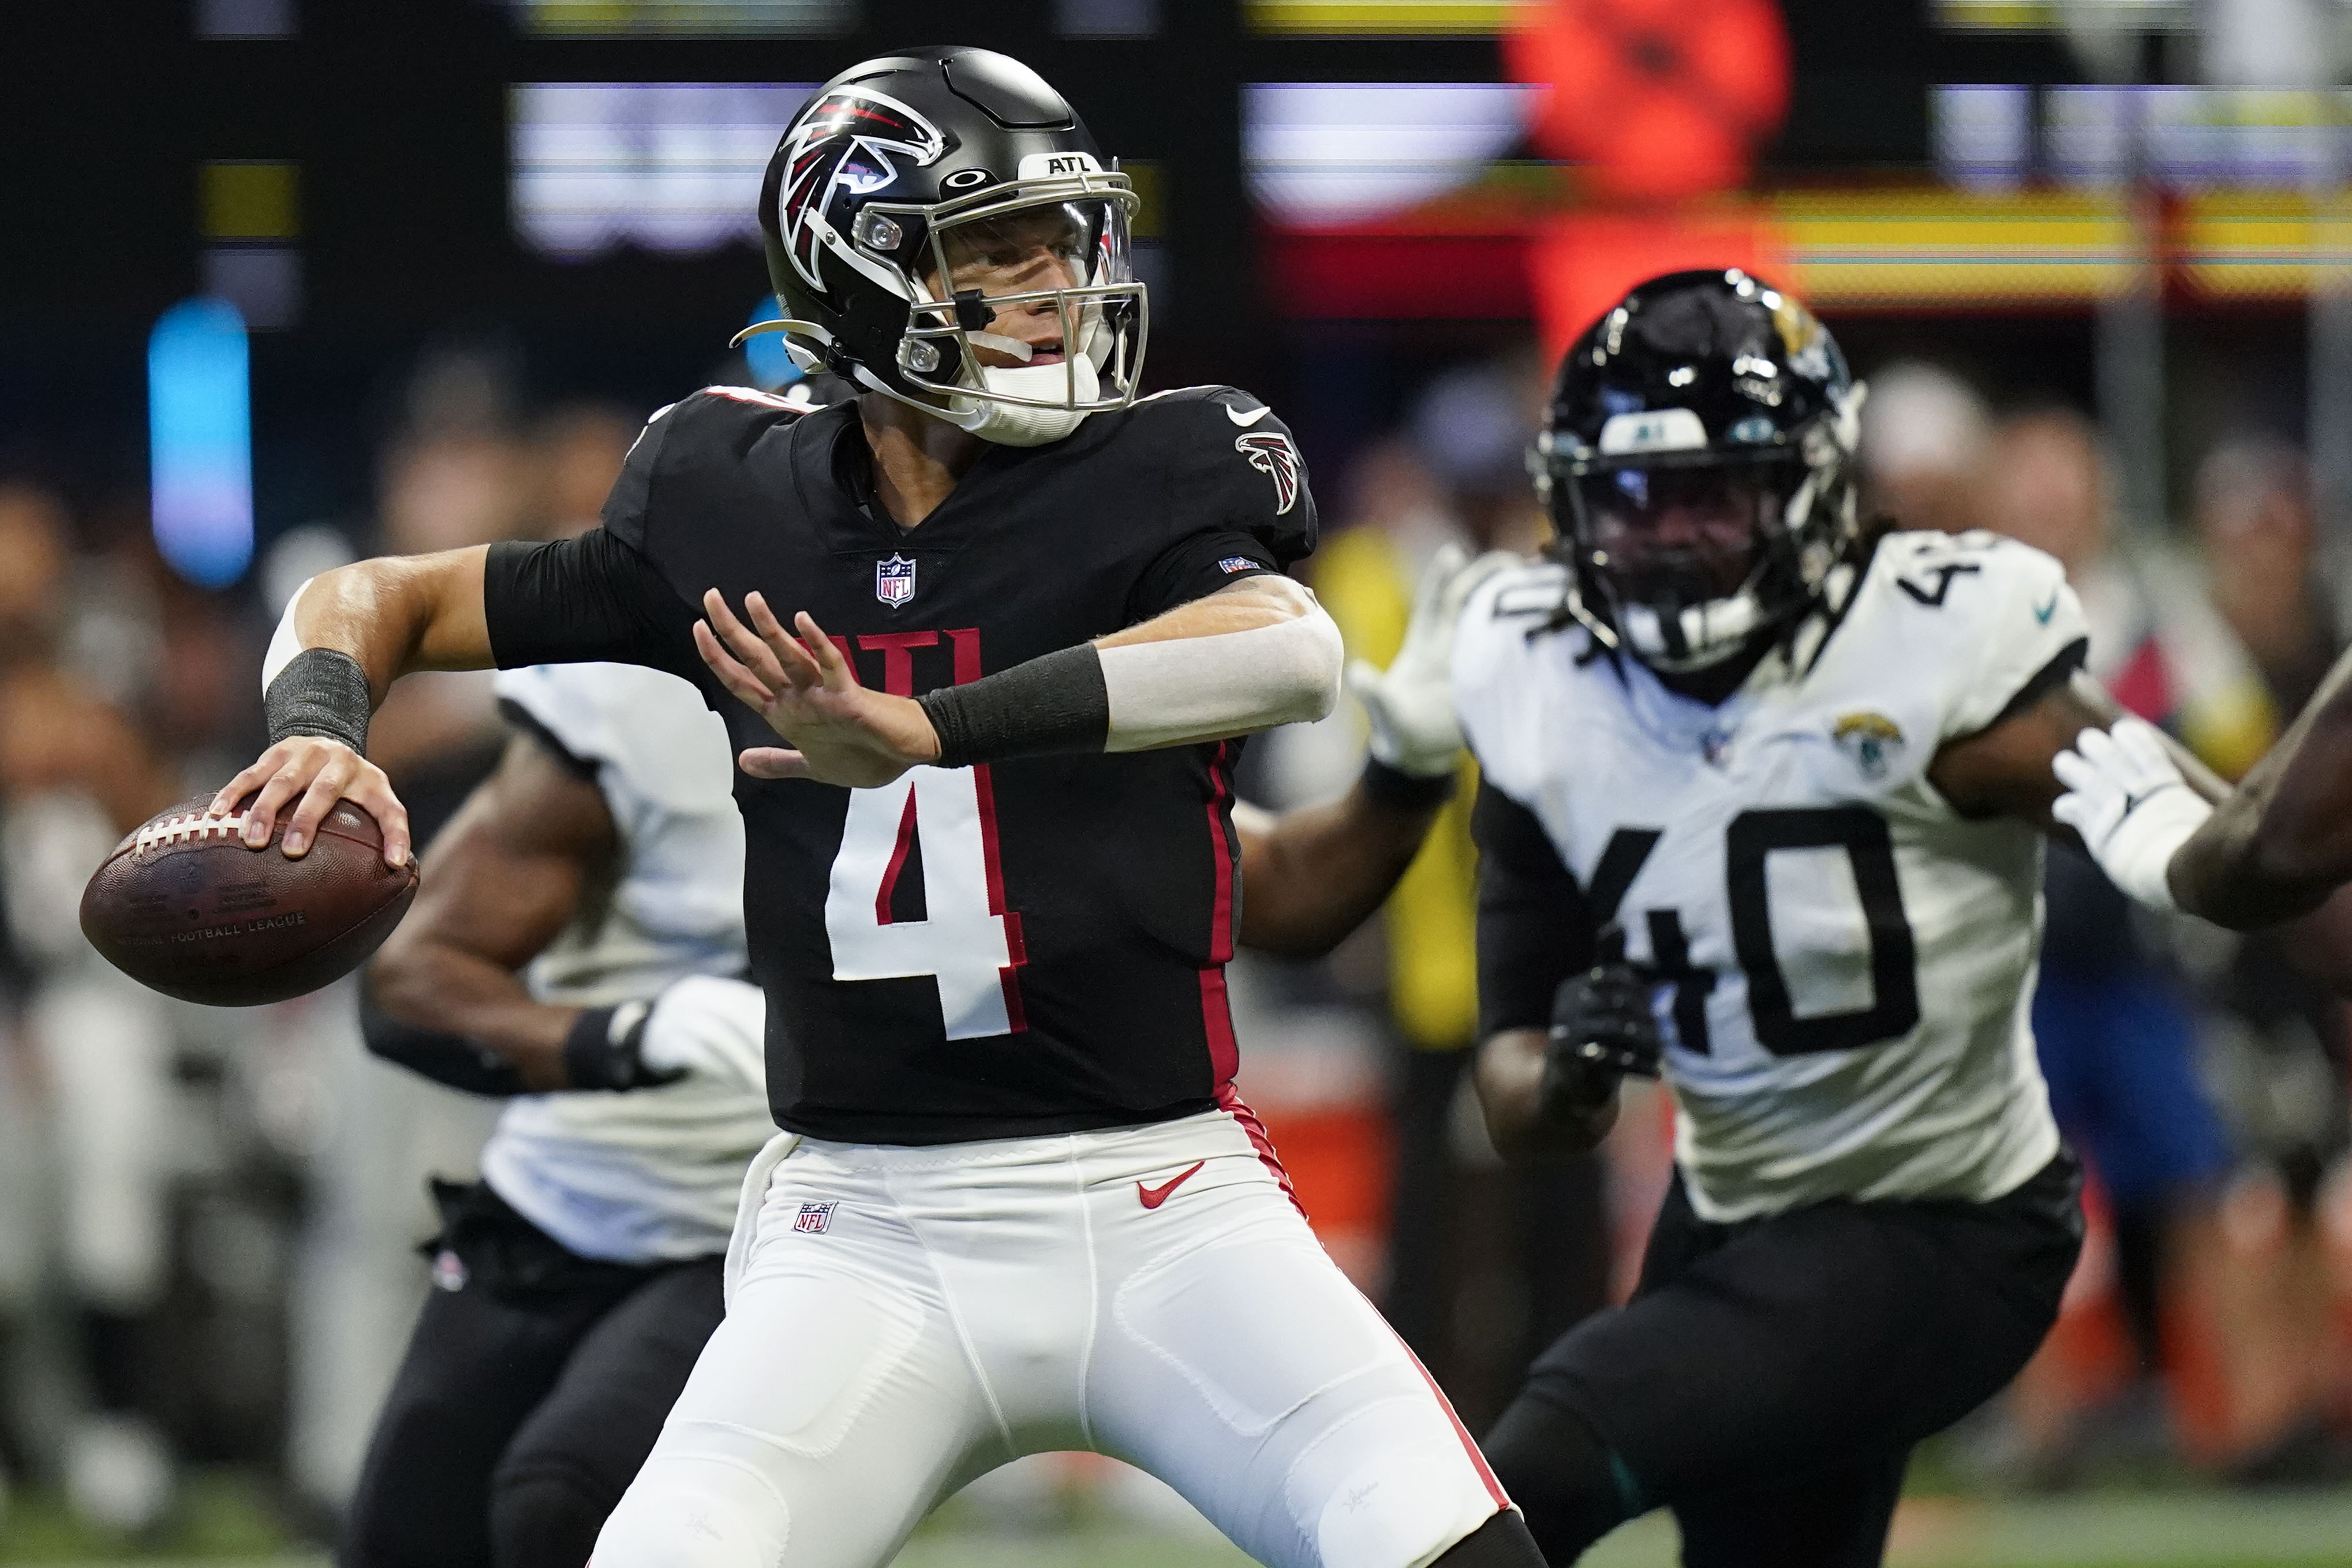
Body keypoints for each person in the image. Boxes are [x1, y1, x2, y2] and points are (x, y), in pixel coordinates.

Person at [203, 46, 1544, 1568]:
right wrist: (322, 725)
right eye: (990, 248)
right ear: (855, 274)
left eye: (1061, 236)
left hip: (1164, 1190)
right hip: (864, 1228)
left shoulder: (1165, 462)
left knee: (1451, 1549)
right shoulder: (724, 489)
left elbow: (1284, 650)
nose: (1051, 281)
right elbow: (369, 596)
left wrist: (926, 727)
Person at [337, 537, 1496, 1568]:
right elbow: (409, 983)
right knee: (411, 1534)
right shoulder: (629, 699)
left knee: (563, 1503)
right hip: (625, 1204)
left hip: (850, 1217)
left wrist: (1400, 782)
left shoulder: (1009, 673)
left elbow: (1279, 885)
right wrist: (614, 1040)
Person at [1450, 269, 2257, 1567]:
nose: (1669, 536)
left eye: (1714, 492)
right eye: (1635, 497)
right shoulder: (1536, 671)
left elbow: (2236, 852)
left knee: (1525, 1472)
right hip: (1735, 1207)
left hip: (1937, 1218)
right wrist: (1569, 1069)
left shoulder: (1934, 644)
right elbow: (1515, 1080)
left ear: (1811, 490)